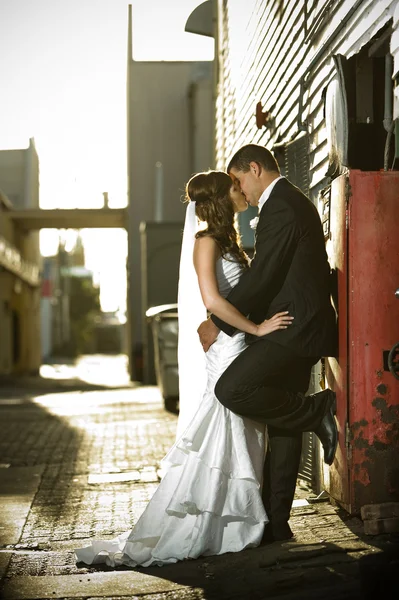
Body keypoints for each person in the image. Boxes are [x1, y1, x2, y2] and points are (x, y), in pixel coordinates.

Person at [75, 170, 293, 568]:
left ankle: (236, 521)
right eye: (234, 188)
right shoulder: (206, 241)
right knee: (225, 430)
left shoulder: (228, 240)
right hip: (229, 347)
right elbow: (213, 301)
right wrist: (257, 327)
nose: (241, 191)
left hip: (241, 346)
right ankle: (220, 525)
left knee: (244, 433)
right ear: (220, 198)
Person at [198, 144, 338, 543]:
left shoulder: (282, 206)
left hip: (293, 328)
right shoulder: (286, 204)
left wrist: (217, 324)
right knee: (281, 422)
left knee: (233, 388)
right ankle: (277, 522)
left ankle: (316, 409)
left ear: (255, 169)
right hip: (294, 325)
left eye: (240, 180)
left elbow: (264, 278)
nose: (241, 190)